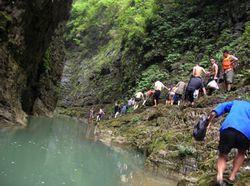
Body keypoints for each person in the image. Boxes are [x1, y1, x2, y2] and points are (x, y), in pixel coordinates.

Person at [207, 100, 250, 185]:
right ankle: (232, 177)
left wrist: (208, 123)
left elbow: (214, 113)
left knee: (223, 155)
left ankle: (220, 178)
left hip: (228, 128)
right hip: (246, 132)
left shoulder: (236, 102)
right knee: (241, 153)